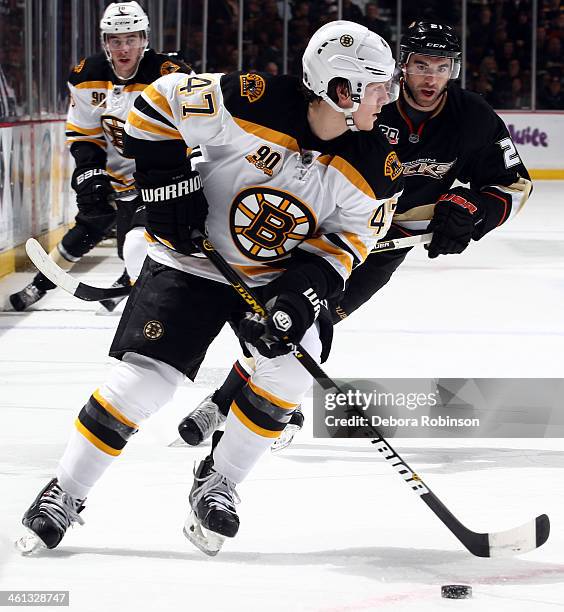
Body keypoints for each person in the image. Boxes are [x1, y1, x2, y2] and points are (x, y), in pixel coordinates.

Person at [16, 20, 403, 556]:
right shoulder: (251, 99)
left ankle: (218, 480)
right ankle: (67, 490)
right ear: (342, 90)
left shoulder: (379, 164)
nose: (389, 97)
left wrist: (301, 294)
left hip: (272, 280)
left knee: (291, 369)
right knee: (141, 385)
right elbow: (156, 103)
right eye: (380, 86)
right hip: (190, 261)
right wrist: (167, 191)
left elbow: (350, 241)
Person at [178, 21, 532, 451]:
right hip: (322, 229)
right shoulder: (369, 101)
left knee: (308, 319)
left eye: (441, 66)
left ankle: (226, 403)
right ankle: (250, 406)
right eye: (421, 65)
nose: (430, 77)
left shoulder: (471, 118)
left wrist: (472, 211)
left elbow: (513, 183)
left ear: (454, 70)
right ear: (403, 67)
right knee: (286, 313)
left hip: (384, 246)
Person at [1, 1, 190, 313]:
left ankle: (136, 288)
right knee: (92, 222)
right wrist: (90, 171)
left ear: (145, 39)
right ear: (105, 42)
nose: (123, 48)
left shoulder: (169, 76)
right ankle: (41, 285)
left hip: (160, 175)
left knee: (138, 242)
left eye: (131, 38)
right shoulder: (87, 75)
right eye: (116, 40)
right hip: (116, 172)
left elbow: (192, 133)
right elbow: (85, 134)